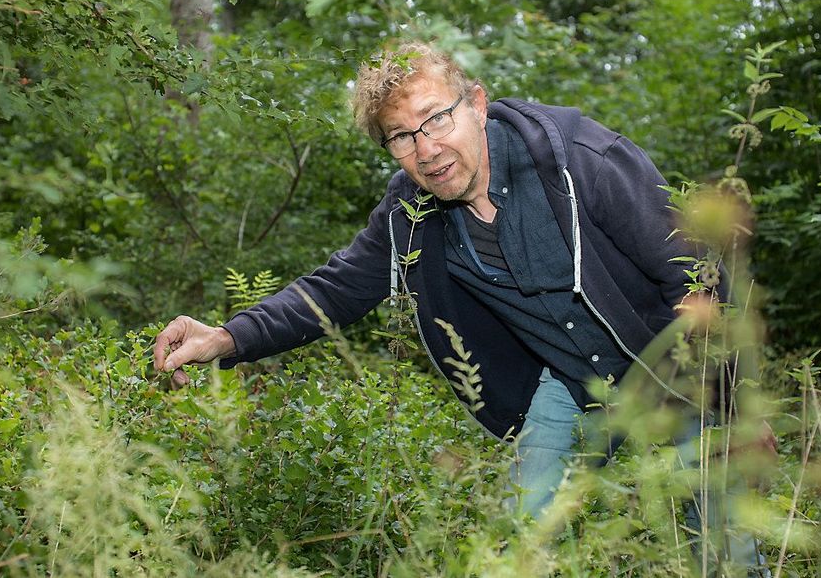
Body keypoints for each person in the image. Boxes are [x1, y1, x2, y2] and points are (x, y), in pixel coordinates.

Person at [154, 41, 769, 573]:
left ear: (475, 104)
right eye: (402, 136)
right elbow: (335, 289)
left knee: (723, 543)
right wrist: (226, 338)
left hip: (678, 372)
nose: (427, 149)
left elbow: (694, 275)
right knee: (519, 537)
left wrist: (737, 409)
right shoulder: (410, 215)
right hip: (571, 385)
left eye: (436, 119)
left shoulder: (578, 159)